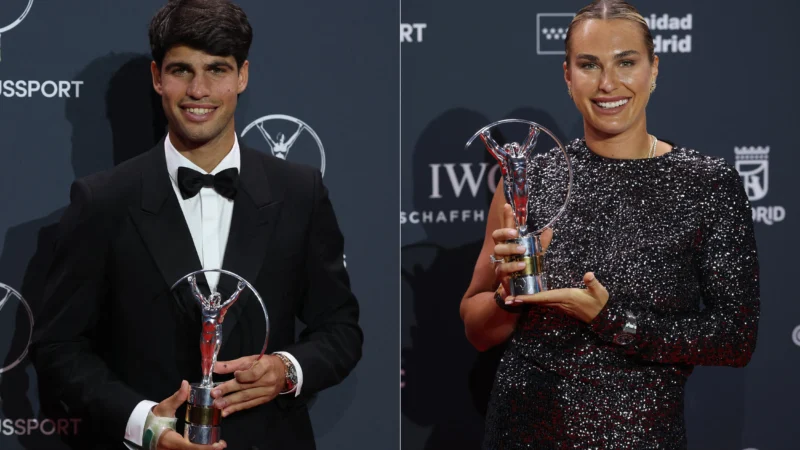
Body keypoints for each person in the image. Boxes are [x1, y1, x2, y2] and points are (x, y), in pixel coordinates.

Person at [29, 1, 363, 449]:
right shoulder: (104, 201)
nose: (199, 90)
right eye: (182, 70)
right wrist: (148, 424)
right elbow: (59, 349)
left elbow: (340, 329)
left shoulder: (300, 192)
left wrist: (286, 369)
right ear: (157, 78)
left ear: (242, 76)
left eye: (217, 70)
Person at [459, 1, 760, 448]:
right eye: (588, 65)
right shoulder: (532, 180)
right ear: (567, 76)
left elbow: (734, 340)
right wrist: (508, 296)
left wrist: (613, 320)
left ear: (653, 70)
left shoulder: (707, 185)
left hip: (642, 435)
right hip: (522, 431)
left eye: (626, 62)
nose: (607, 84)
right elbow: (477, 329)